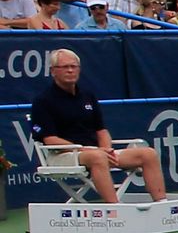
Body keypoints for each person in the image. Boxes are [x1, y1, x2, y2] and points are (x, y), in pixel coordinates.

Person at [29, 47, 165, 202]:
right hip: (63, 155)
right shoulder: (43, 101)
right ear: (53, 71)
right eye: (64, 67)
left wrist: (107, 149)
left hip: (96, 152)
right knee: (98, 157)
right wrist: (86, 149)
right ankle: (115, 210)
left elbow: (101, 130)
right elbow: (50, 140)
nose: (70, 70)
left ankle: (161, 204)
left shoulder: (88, 96)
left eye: (73, 67)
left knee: (148, 154)